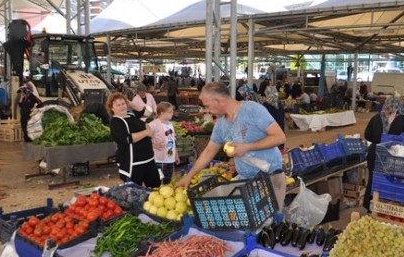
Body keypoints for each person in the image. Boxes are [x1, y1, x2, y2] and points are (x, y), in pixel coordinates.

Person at [176, 82, 287, 210]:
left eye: (207, 106)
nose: (207, 110)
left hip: (270, 178)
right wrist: (189, 176)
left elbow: (279, 137)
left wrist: (246, 147)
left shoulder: (252, 109)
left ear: (217, 101)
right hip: (245, 181)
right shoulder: (220, 124)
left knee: (269, 224)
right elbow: (208, 151)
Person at [363, 96, 404, 211]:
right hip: (394, 154)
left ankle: (369, 205)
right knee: (390, 182)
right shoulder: (403, 119)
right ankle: (385, 207)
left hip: (375, 152)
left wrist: (379, 140)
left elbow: (367, 135)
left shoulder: (376, 118)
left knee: (373, 179)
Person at [105, 92, 161, 188]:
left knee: (155, 188)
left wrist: (129, 102)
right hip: (133, 163)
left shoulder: (131, 116)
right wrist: (146, 132)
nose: (122, 107)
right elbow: (127, 139)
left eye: (123, 104)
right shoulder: (116, 122)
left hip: (148, 160)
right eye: (118, 105)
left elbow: (148, 110)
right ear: (111, 108)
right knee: (134, 193)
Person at [149, 102, 180, 184]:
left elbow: (173, 140)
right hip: (158, 160)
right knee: (157, 182)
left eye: (172, 111)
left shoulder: (170, 124)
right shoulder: (153, 124)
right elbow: (145, 138)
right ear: (162, 113)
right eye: (170, 112)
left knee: (167, 182)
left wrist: (176, 155)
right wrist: (153, 145)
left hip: (170, 159)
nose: (172, 114)